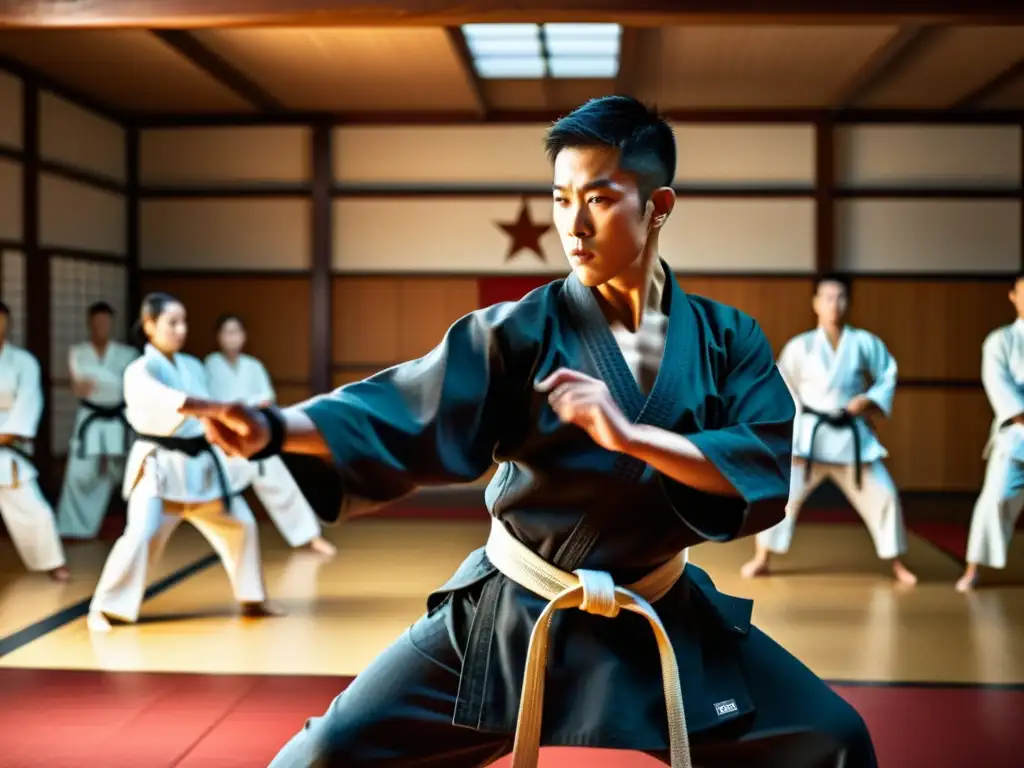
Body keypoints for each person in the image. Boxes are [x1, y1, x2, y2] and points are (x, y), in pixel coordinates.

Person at [183, 97, 875, 767]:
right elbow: (408, 402)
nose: (571, 226)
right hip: (514, 613)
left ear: (658, 206)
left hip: (659, 613)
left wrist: (631, 438)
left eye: (599, 199)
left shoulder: (728, 339)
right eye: (559, 199)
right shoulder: (522, 330)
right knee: (328, 752)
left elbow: (758, 459)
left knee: (832, 739)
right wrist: (276, 427)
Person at [86, 293, 275, 632]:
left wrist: (229, 429)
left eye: (183, 322)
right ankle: (105, 607)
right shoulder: (139, 370)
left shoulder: (192, 365)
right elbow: (179, 403)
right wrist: (222, 410)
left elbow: (208, 410)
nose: (180, 329)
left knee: (241, 523)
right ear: (149, 325)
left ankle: (253, 597)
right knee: (142, 532)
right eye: (172, 322)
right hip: (159, 465)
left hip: (199, 465)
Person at [741, 274, 916, 587]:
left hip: (852, 437)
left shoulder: (863, 342)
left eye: (841, 298)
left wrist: (869, 400)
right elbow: (781, 389)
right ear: (816, 303)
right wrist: (787, 441)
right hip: (808, 438)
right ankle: (762, 558)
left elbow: (887, 373)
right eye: (827, 297)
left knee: (885, 495)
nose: (834, 304)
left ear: (849, 303)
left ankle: (896, 562)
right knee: (777, 496)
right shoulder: (801, 346)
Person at [204, 314, 336, 556]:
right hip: (226, 441)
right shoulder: (210, 365)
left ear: (244, 336)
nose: (232, 338)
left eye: (236, 332)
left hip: (255, 438)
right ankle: (222, 541)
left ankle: (309, 536)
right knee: (209, 489)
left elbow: (266, 398)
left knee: (281, 484)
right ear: (218, 337)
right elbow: (210, 403)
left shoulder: (253, 366)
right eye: (227, 332)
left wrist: (246, 407)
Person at [957, 272, 1024, 593]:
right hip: (1016, 435)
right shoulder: (1001, 341)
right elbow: (1001, 389)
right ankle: (973, 569)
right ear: (1013, 296)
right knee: (995, 499)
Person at [57, 301, 140, 539]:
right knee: (79, 473)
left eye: (105, 322)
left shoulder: (127, 354)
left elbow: (128, 386)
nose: (100, 326)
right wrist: (110, 382)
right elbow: (80, 388)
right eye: (96, 322)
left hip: (118, 419)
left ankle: (134, 525)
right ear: (89, 324)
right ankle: (74, 528)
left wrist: (101, 382)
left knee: (128, 473)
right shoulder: (78, 352)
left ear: (111, 324)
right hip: (90, 420)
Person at [0, 301, 69, 581]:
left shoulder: (23, 361)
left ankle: (52, 561)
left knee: (34, 509)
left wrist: (8, 434)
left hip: (8, 447)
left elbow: (29, 402)